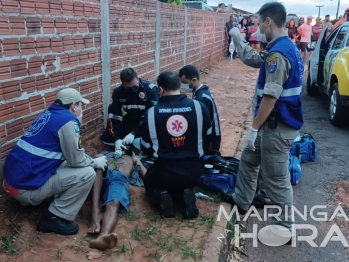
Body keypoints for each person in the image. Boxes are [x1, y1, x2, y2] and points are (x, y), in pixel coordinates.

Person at [229, 2, 303, 245]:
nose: (258, 27)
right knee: (249, 161)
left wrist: (253, 129)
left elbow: (270, 97)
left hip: (276, 126)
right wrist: (238, 38)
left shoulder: (279, 54)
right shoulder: (281, 47)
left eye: (260, 22)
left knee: (276, 178)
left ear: (268, 21)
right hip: (272, 125)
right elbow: (253, 58)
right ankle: (241, 202)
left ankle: (284, 228)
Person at [2, 88, 108, 235]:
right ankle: (54, 217)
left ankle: (30, 201)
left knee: (67, 164)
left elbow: (65, 156)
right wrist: (94, 163)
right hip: (23, 189)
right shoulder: (68, 121)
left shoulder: (48, 114)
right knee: (88, 174)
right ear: (73, 106)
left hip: (12, 181)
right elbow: (76, 159)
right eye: (80, 105)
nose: (81, 109)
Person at [140, 71, 211, 219]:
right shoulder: (199, 107)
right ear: (180, 86)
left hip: (164, 171)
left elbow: (145, 146)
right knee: (182, 184)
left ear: (160, 89)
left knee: (150, 182)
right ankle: (183, 195)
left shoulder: (151, 113)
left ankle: (161, 196)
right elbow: (208, 136)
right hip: (193, 171)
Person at [88, 154, 147, 250]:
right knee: (99, 159)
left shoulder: (133, 158)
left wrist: (137, 161)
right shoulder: (106, 154)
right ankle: (95, 213)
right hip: (102, 173)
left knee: (114, 202)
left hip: (119, 178)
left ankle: (103, 236)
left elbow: (146, 174)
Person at [101, 68, 159, 153]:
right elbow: (113, 116)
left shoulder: (150, 90)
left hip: (146, 122)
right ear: (123, 84)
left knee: (151, 138)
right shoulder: (118, 92)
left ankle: (137, 144)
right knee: (107, 137)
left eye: (135, 86)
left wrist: (134, 133)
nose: (133, 90)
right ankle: (126, 144)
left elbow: (152, 116)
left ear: (138, 79)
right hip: (130, 120)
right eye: (129, 87)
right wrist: (116, 138)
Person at [179, 65, 221, 155]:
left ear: (194, 80)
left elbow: (202, 124)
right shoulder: (200, 93)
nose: (183, 86)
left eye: (185, 83)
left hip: (210, 140)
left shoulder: (202, 99)